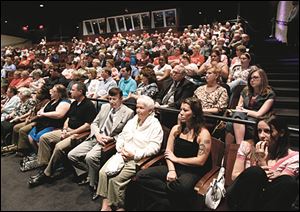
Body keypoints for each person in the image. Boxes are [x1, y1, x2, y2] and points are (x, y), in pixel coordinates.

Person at [131, 97, 212, 211]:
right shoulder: (176, 129)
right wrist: (172, 170)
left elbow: (200, 161)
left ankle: (168, 204)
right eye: (181, 110)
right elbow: (168, 153)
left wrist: (177, 159)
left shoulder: (203, 134)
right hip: (174, 166)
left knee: (182, 187)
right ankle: (178, 205)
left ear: (194, 114)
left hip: (192, 170)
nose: (181, 113)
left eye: (185, 110)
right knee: (142, 176)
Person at [97, 95, 163, 211]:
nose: (138, 110)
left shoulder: (155, 125)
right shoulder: (133, 120)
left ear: (150, 110)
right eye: (137, 107)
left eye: (141, 108)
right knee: (103, 172)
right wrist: (120, 148)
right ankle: (106, 206)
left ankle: (119, 208)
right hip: (122, 154)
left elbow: (155, 147)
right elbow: (122, 136)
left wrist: (135, 154)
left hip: (137, 159)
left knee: (115, 181)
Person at [68, 87, 134, 200]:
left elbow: (126, 133)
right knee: (72, 155)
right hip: (96, 136)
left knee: (90, 157)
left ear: (121, 99)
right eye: (109, 99)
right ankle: (90, 174)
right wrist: (97, 135)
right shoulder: (105, 107)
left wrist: (112, 139)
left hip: (108, 141)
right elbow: (94, 123)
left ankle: (94, 185)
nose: (111, 102)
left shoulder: (128, 112)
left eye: (114, 99)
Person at [28, 82, 97, 186]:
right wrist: (65, 129)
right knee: (44, 138)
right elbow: (68, 118)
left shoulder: (89, 105)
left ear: (80, 92)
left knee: (59, 147)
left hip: (78, 133)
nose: (70, 91)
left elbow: (88, 126)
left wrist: (71, 133)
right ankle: (44, 166)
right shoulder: (74, 103)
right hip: (67, 130)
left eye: (73, 90)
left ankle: (47, 174)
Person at [227, 115, 299, 211]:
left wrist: (262, 163)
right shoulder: (246, 146)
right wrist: (257, 167)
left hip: (266, 202)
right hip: (241, 197)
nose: (261, 136)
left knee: (288, 182)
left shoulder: (294, 157)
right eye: (259, 131)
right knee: (255, 172)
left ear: (281, 133)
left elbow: (280, 187)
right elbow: (234, 176)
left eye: (267, 131)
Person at [226, 68, 276, 144]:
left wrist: (244, 111)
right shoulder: (245, 91)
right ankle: (228, 152)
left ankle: (239, 146)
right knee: (230, 123)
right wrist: (240, 110)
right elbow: (239, 106)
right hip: (242, 116)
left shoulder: (269, 94)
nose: (252, 80)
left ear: (262, 79)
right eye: (250, 78)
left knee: (236, 120)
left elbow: (259, 114)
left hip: (258, 118)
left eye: (255, 77)